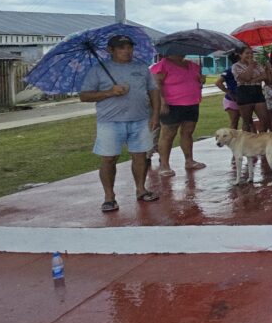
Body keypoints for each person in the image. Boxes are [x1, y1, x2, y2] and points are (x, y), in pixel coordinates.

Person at [79, 34, 160, 212]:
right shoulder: (98, 70)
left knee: (140, 156)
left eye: (129, 47)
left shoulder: (141, 67)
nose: (127, 51)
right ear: (111, 50)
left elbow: (153, 91)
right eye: (122, 48)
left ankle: (141, 189)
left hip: (140, 119)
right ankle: (109, 197)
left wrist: (155, 115)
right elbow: (84, 96)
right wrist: (109, 92)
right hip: (110, 122)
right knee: (109, 159)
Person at [150, 53, 206, 176]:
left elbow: (197, 82)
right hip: (172, 104)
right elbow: (156, 84)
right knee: (168, 135)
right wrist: (162, 102)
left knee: (188, 133)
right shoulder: (163, 65)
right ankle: (164, 165)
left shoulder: (192, 65)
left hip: (192, 103)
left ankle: (189, 160)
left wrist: (202, 80)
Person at [232, 46, 271, 132]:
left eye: (251, 53)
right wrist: (250, 65)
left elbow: (264, 76)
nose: (250, 55)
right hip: (244, 92)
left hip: (257, 91)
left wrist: (253, 80)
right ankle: (247, 139)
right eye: (247, 53)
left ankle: (261, 137)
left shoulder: (257, 64)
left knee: (265, 120)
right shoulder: (236, 66)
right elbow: (246, 77)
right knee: (247, 122)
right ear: (240, 55)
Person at [215, 51, 250, 131]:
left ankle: (246, 137)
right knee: (235, 121)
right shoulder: (229, 71)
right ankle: (233, 138)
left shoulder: (245, 69)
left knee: (246, 122)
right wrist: (228, 92)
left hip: (244, 99)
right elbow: (218, 83)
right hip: (232, 100)